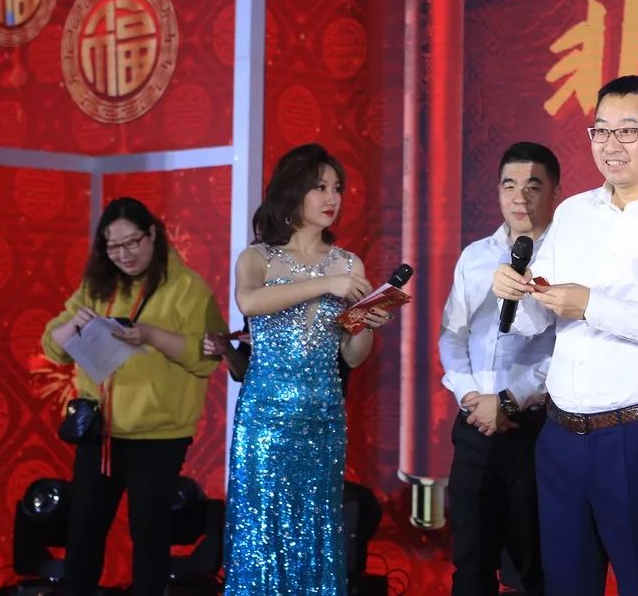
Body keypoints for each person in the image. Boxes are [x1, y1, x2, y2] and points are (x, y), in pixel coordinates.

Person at [492, 76, 638, 596]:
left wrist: (591, 306)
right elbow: (535, 322)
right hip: (560, 437)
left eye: (627, 130)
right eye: (600, 131)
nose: (611, 144)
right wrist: (515, 292)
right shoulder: (573, 213)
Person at [223, 144, 395, 595]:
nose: (331, 198)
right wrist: (325, 284)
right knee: (261, 532)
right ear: (292, 190)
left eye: (337, 188)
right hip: (265, 418)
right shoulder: (258, 258)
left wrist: (365, 322)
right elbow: (249, 302)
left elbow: (353, 356)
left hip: (323, 417)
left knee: (317, 530)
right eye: (320, 187)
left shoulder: (349, 264)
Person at [41, 197, 226, 596]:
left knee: (150, 534)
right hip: (100, 431)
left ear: (152, 235)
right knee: (83, 530)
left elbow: (207, 357)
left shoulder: (188, 288)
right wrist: (74, 324)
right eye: (113, 246)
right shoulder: (97, 285)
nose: (123, 255)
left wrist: (151, 335)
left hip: (158, 435)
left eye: (132, 243)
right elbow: (52, 346)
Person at [441, 142, 561, 596]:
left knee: (534, 568)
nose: (519, 198)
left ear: (555, 192)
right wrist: (471, 397)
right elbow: (452, 335)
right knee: (470, 564)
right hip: (474, 426)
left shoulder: (566, 257)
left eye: (533, 187)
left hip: (536, 430)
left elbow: (567, 348)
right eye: (509, 186)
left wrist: (510, 401)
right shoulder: (475, 256)